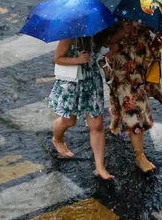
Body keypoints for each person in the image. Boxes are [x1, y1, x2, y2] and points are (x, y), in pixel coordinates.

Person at [99, 21, 162, 174]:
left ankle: (116, 115)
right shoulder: (110, 11)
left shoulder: (145, 4)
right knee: (135, 109)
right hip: (122, 66)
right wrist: (120, 33)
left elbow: (155, 27)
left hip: (144, 60)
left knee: (120, 97)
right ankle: (140, 156)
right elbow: (102, 41)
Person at [48, 36, 114, 180]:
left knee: (97, 125)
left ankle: (100, 167)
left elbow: (109, 41)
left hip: (92, 81)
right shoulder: (70, 35)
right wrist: (78, 60)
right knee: (68, 121)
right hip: (72, 82)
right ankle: (57, 139)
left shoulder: (98, 31)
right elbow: (58, 58)